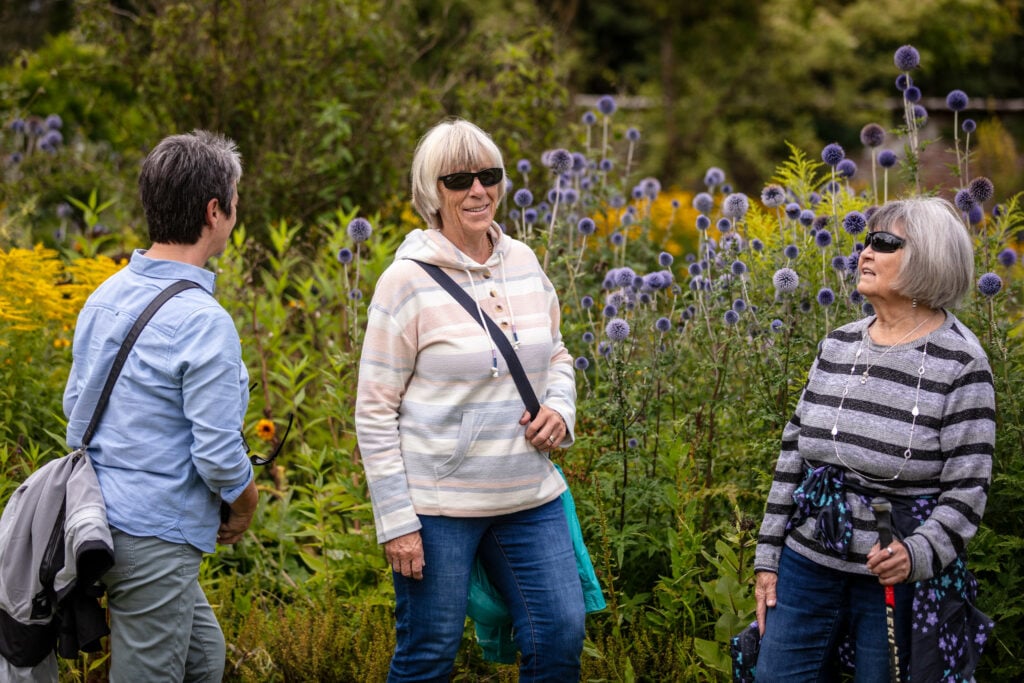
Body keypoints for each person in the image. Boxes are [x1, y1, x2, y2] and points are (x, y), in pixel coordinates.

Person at [355, 118, 585, 682]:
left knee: (559, 635)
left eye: (489, 175)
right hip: (437, 510)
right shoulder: (403, 283)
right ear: (432, 192)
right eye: (458, 179)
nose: (478, 190)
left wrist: (560, 409)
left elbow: (557, 355)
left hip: (529, 494)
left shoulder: (525, 262)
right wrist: (396, 521)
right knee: (429, 654)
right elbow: (375, 409)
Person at [753, 196, 995, 681]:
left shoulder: (962, 363)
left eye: (884, 243)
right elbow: (792, 456)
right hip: (808, 559)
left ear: (929, 257)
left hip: (893, 575)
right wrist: (767, 557)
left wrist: (916, 553)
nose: (864, 252)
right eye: (866, 240)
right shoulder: (838, 344)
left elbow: (968, 492)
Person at [63, 130, 258, 682]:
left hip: (96, 523)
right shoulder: (204, 321)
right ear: (214, 210)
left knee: (202, 659)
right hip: (154, 537)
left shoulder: (106, 295)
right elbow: (218, 453)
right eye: (235, 202)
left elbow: (75, 406)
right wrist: (247, 502)